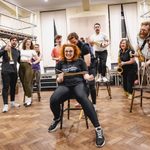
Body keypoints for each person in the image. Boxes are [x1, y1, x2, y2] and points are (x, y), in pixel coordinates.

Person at [48, 44, 105, 148]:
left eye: (70, 51)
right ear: (63, 52)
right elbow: (58, 78)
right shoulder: (60, 63)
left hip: (78, 84)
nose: (68, 53)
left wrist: (88, 77)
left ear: (74, 52)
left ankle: (98, 128)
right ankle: (57, 118)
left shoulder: (80, 62)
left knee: (83, 98)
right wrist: (59, 79)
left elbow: (85, 74)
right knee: (54, 99)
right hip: (65, 86)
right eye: (66, 51)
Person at [67, 32, 97, 109]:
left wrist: (82, 73)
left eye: (74, 42)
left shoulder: (84, 47)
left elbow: (87, 63)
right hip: (81, 68)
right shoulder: (73, 47)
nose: (72, 44)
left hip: (91, 67)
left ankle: (94, 104)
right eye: (71, 42)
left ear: (77, 39)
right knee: (80, 85)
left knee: (91, 85)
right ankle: (82, 102)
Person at [0, 36, 20, 113]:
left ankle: (12, 102)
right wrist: (4, 50)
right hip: (6, 71)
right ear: (10, 41)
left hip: (14, 72)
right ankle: (5, 105)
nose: (14, 42)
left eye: (16, 41)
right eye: (13, 40)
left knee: (13, 88)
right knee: (5, 87)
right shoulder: (4, 47)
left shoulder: (17, 51)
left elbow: (19, 61)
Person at [19, 38, 39, 107]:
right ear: (24, 43)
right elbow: (19, 59)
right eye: (27, 42)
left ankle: (29, 100)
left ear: (31, 44)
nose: (28, 43)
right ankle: (27, 99)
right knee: (23, 83)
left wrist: (33, 63)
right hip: (21, 67)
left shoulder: (32, 51)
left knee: (27, 83)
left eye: (30, 42)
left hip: (28, 67)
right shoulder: (21, 50)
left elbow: (38, 59)